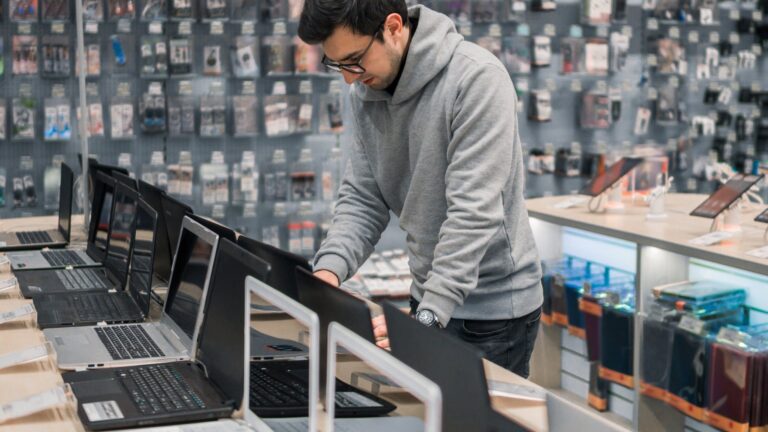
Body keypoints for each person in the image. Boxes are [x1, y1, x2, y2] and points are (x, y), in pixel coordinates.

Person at [298, 0, 543, 377]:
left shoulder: (476, 79)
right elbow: (363, 198)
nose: (348, 77)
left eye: (353, 60)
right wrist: (327, 275)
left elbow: (473, 213)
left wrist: (426, 318)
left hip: (492, 312)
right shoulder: (366, 91)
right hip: (429, 297)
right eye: (337, 64)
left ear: (393, 27)